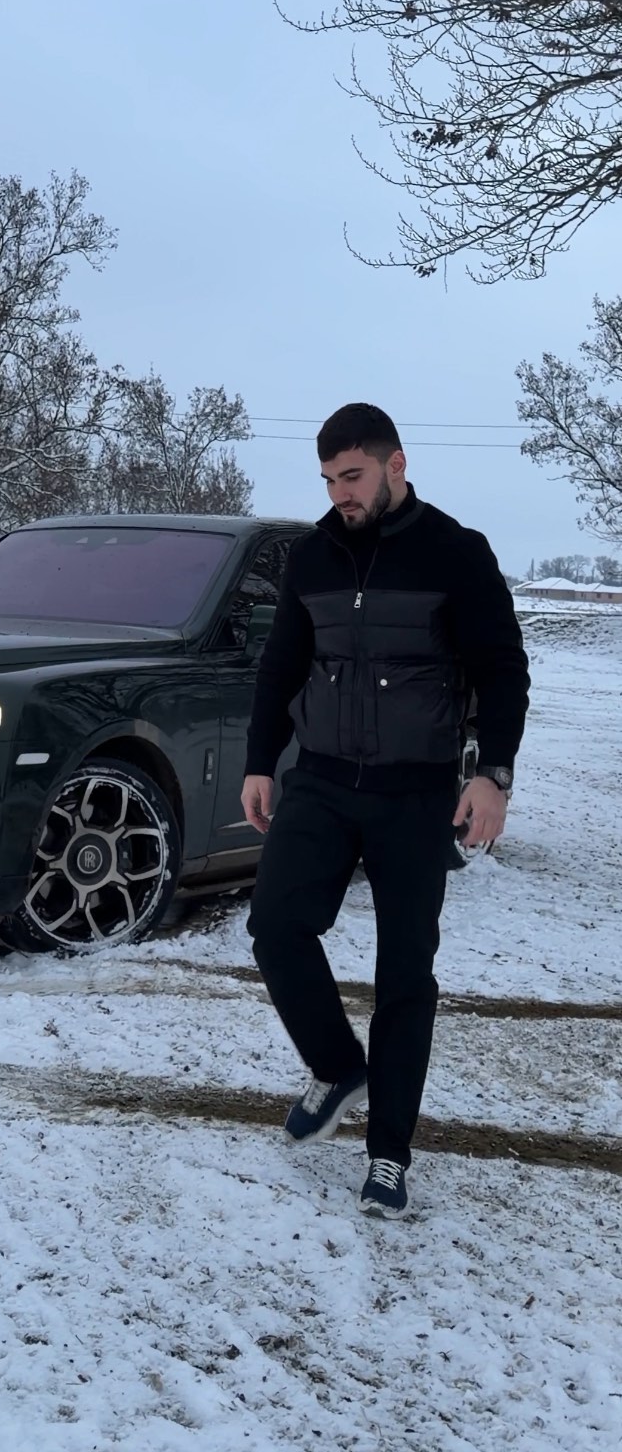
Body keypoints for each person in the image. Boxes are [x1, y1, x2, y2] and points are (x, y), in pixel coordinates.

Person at [242, 403, 529, 1219]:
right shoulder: (313, 556)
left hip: (415, 791)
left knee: (405, 974)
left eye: (352, 476)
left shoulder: (456, 552)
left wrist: (493, 776)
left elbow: (502, 670)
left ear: (395, 465)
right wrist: (261, 761)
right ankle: (338, 1066)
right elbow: (282, 664)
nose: (339, 493)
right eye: (329, 480)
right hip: (323, 780)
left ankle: (389, 1156)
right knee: (276, 927)